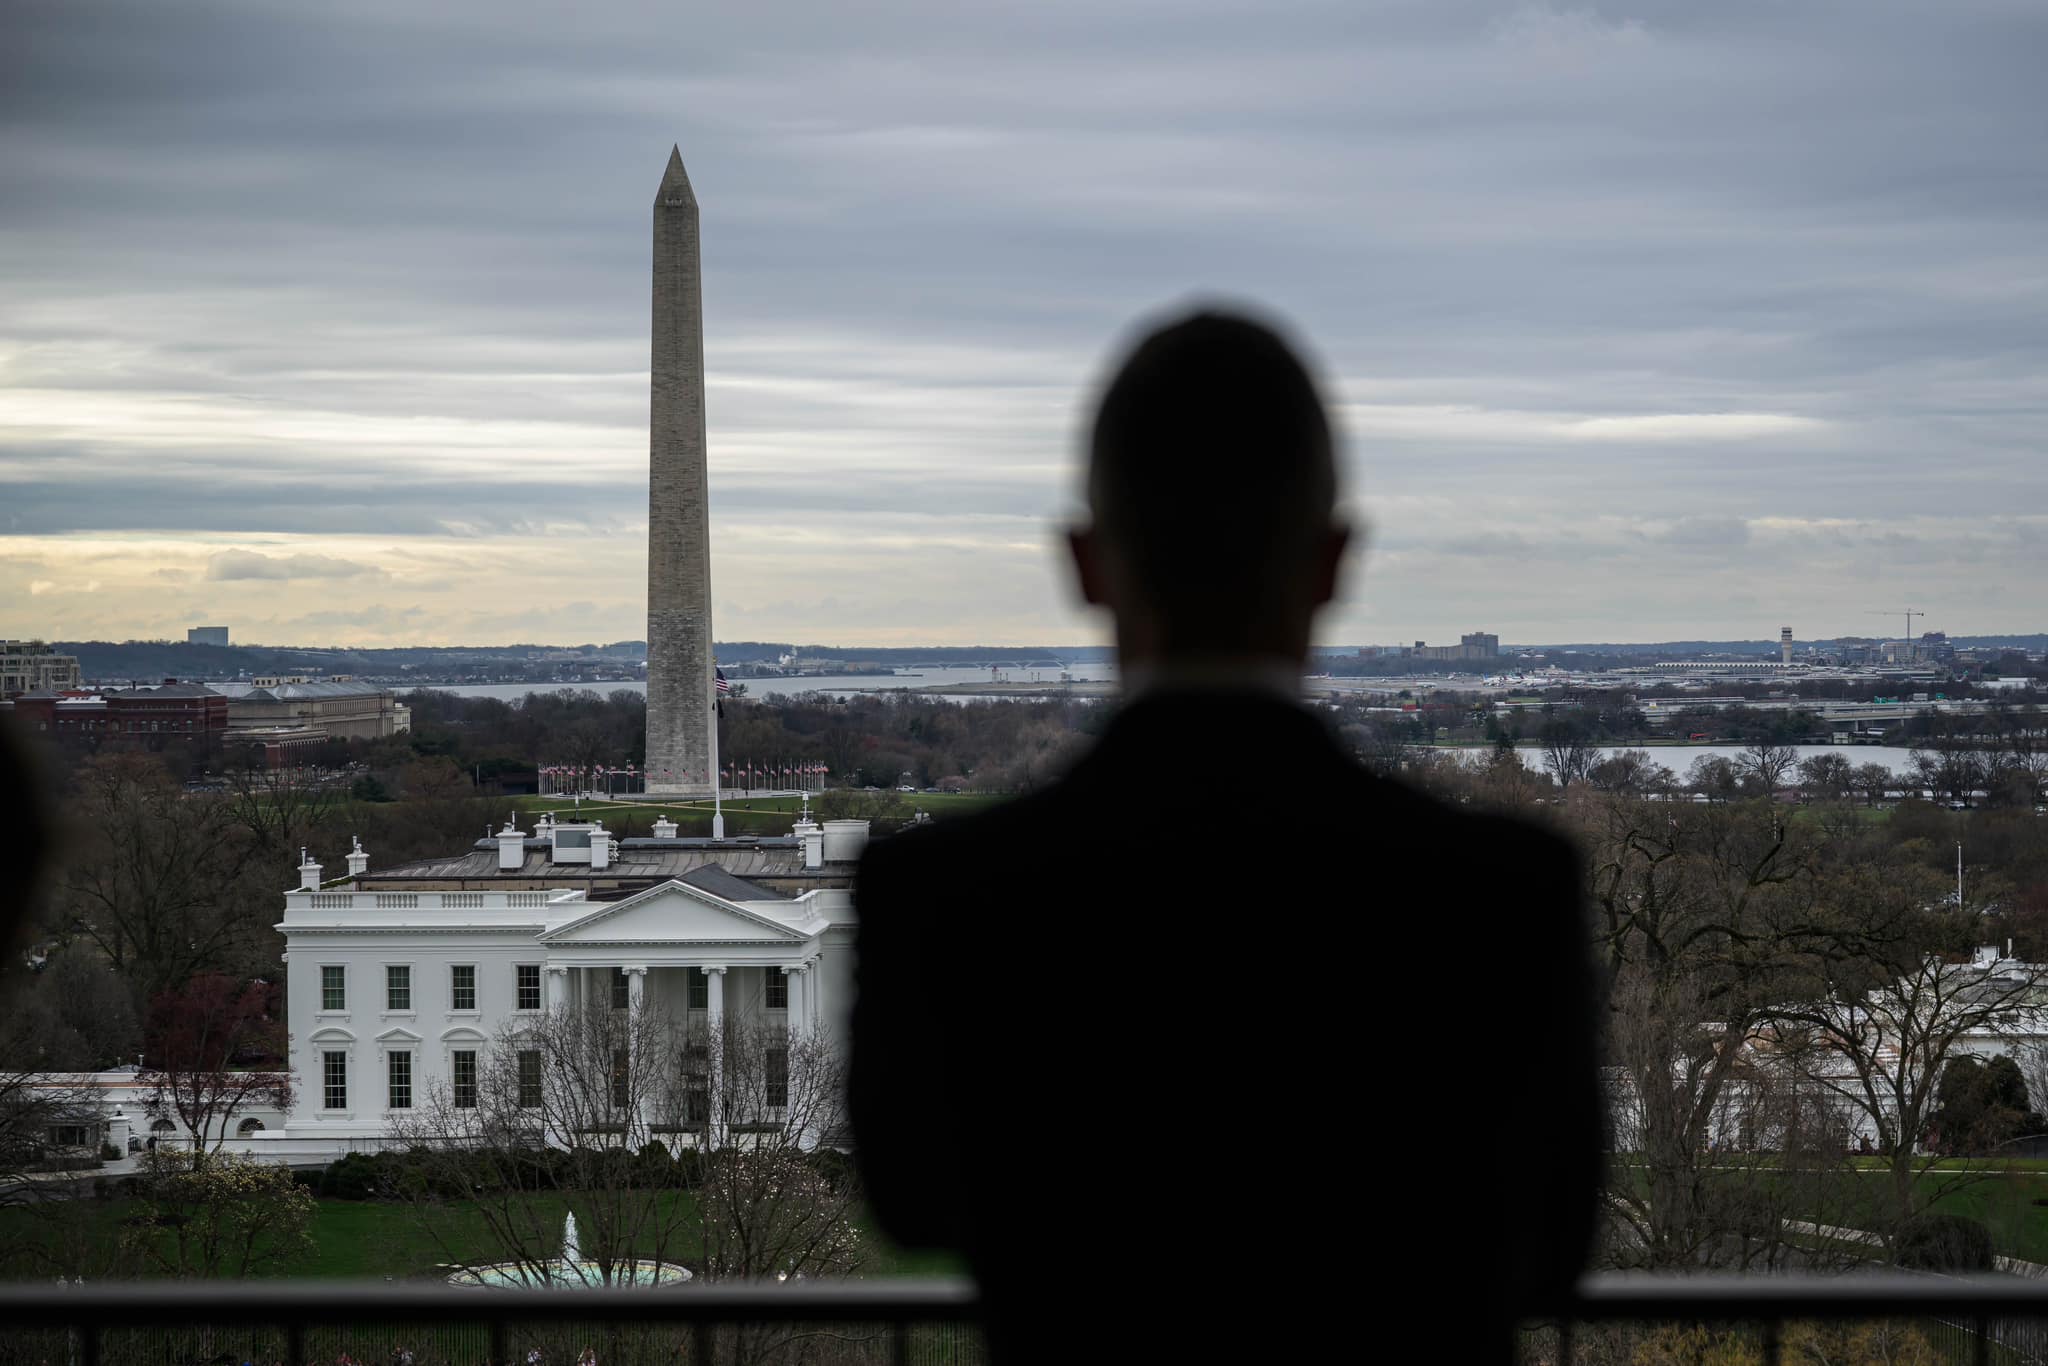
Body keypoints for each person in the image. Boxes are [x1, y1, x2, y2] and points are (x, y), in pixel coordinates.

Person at [850, 306, 1600, 1361]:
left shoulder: (941, 892)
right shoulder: (1498, 893)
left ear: (1084, 564)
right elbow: (1556, 1248)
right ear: (1335, 562)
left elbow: (911, 1203)